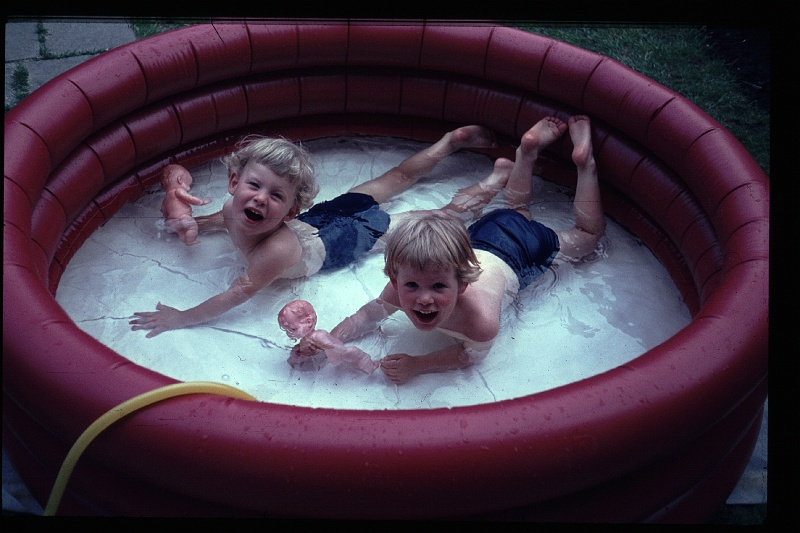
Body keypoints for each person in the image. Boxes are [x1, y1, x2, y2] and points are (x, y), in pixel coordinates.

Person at [294, 116, 605, 384]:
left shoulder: (480, 320)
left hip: (522, 249)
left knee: (587, 237)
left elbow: (470, 355)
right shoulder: (402, 287)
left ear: (464, 284)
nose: (424, 297)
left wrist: (418, 365)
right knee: (516, 209)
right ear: (393, 278)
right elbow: (366, 317)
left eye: (439, 286)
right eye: (412, 285)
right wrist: (327, 340)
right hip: (482, 236)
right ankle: (526, 152)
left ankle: (584, 165)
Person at [130, 126, 499, 337]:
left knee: (445, 216)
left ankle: (497, 179)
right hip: (323, 217)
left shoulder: (272, 253)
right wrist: (194, 222)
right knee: (395, 179)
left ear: (290, 210)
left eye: (275, 196)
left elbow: (233, 296)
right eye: (254, 187)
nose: (260, 199)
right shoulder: (231, 208)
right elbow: (223, 220)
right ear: (233, 182)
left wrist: (181, 317)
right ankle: (447, 144)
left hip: (352, 235)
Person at [278, 299, 379, 374]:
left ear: (308, 321)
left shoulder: (318, 335)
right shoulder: (310, 338)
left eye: (293, 329)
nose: (289, 333)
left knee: (357, 359)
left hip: (342, 354)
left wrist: (325, 348)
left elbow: (330, 346)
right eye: (286, 330)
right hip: (337, 356)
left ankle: (371, 367)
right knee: (356, 363)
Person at [159, 164, 212, 245]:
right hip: (183, 217)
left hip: (171, 222)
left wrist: (167, 219)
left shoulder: (165, 200)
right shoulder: (178, 191)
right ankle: (190, 240)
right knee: (193, 228)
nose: (188, 188)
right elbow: (189, 198)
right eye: (188, 185)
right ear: (180, 180)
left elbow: (164, 212)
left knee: (181, 232)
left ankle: (183, 238)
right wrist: (201, 202)